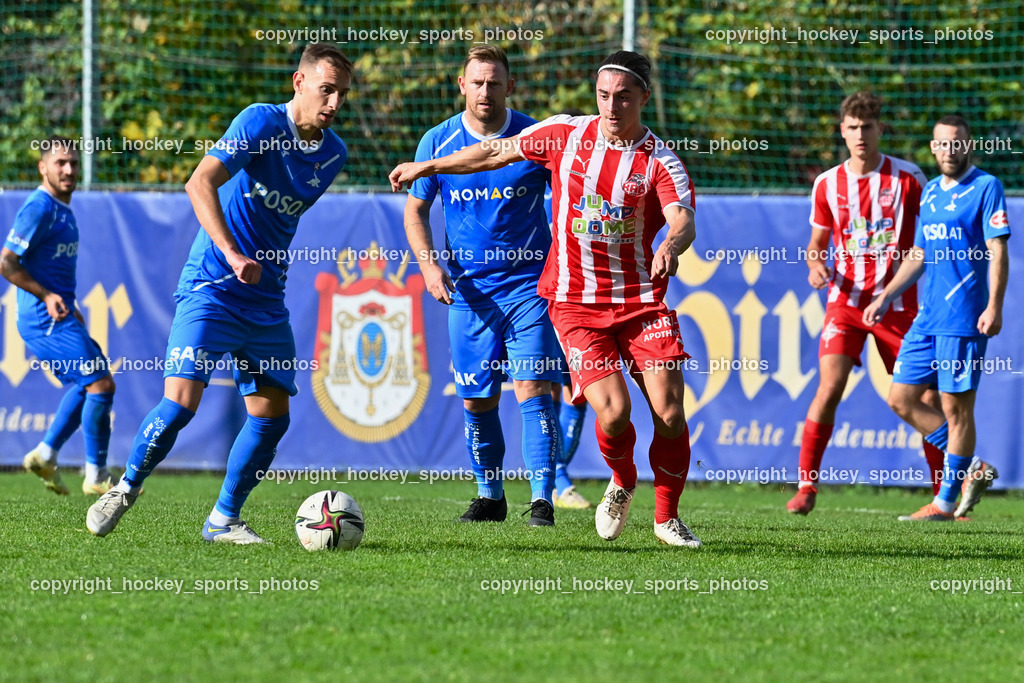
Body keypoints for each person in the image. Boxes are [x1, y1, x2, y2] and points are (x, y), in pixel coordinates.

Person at [391, 50, 702, 547]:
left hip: (641, 300)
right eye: (603, 96)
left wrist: (669, 243)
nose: (611, 107)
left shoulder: (661, 160)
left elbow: (682, 218)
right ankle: (621, 480)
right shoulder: (563, 134)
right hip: (575, 303)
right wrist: (428, 165)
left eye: (623, 97)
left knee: (668, 412)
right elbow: (494, 153)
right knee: (614, 413)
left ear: (644, 96)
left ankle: (666, 517)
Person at [86, 43, 353, 542]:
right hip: (213, 284)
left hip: (266, 299)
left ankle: (223, 519)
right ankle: (124, 488)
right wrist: (232, 254)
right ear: (299, 83)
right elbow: (199, 183)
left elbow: (277, 222)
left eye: (342, 93)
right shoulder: (260, 123)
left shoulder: (334, 154)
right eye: (326, 90)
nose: (335, 103)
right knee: (182, 402)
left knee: (272, 417)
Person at [404, 46, 560, 526]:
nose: (485, 91)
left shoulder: (534, 137)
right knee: (477, 398)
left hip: (529, 289)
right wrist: (429, 267)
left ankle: (542, 500)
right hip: (469, 295)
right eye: (477, 82)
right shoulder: (438, 139)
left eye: (495, 83)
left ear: (509, 87)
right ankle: (490, 497)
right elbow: (415, 209)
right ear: (462, 86)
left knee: (533, 388)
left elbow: (568, 198)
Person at [786, 92, 950, 515]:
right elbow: (816, 246)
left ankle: (943, 497)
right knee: (828, 387)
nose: (860, 135)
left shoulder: (908, 178)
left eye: (868, 127)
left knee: (925, 399)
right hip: (846, 302)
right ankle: (806, 488)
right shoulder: (827, 184)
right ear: (842, 130)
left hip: (898, 305)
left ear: (881, 129)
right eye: (853, 127)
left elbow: (925, 241)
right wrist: (814, 267)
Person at [864, 114, 1009, 521]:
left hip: (964, 318)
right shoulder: (929, 192)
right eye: (943, 144)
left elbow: (998, 250)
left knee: (954, 407)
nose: (950, 151)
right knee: (902, 398)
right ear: (933, 147)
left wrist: (993, 306)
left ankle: (945, 502)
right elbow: (920, 253)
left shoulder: (986, 187)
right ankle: (971, 466)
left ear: (969, 145)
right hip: (927, 318)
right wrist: (887, 294)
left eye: (957, 143)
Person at [2, 136, 117, 496]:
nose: (68, 170)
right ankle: (95, 476)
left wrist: (68, 302)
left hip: (60, 314)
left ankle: (46, 453)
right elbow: (6, 262)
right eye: (60, 163)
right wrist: (47, 295)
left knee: (90, 385)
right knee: (101, 385)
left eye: (73, 163)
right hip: (43, 318)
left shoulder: (62, 209)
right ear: (43, 167)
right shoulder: (39, 207)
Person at [545, 107, 593, 511]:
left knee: (579, 394)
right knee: (549, 391)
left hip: (585, 303)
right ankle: (556, 481)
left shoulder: (594, 192)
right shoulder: (545, 188)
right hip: (547, 302)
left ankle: (560, 478)